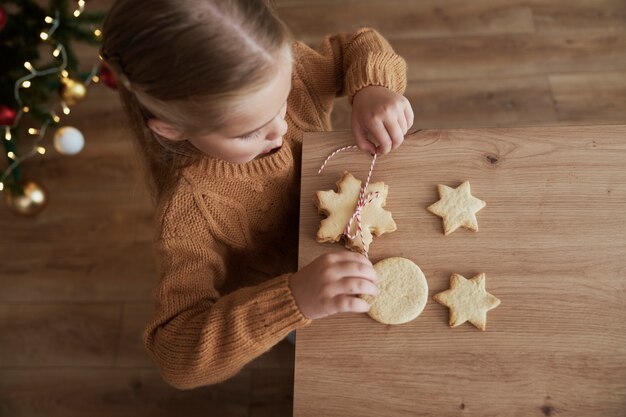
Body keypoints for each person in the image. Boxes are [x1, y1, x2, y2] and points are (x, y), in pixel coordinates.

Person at [100, 0, 413, 389]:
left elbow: (357, 45)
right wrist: (292, 301)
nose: (280, 130)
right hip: (304, 300)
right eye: (249, 132)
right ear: (172, 129)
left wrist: (373, 87)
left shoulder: (282, 72)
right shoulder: (190, 211)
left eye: (282, 104)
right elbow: (176, 356)